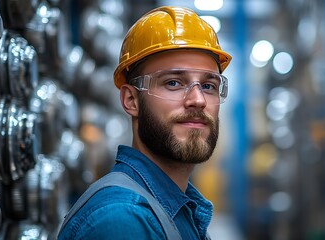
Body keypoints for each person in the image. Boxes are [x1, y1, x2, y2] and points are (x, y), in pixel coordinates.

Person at [57, 5, 232, 240]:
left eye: (208, 86)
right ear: (131, 100)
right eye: (173, 83)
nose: (198, 100)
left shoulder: (180, 207)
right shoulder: (123, 221)